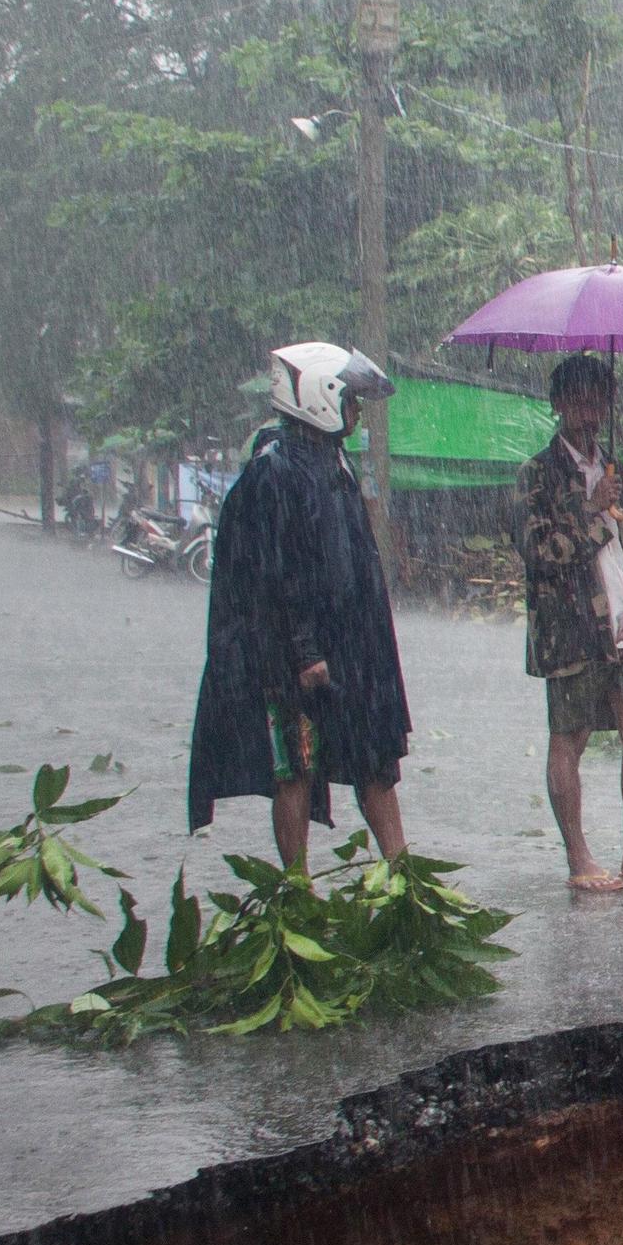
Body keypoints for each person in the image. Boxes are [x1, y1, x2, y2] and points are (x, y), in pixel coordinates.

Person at [186, 343, 411, 872]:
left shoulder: (333, 461)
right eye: (350, 401)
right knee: (296, 765)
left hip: (351, 647)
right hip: (298, 657)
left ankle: (407, 879)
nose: (356, 413)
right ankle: (296, 888)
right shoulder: (275, 470)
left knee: (375, 758)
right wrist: (304, 650)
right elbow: (274, 573)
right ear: (320, 397)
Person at [520, 351, 623, 894]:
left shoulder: (618, 471)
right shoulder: (538, 474)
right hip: (570, 631)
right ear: (558, 404)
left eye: (598, 400)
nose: (589, 412)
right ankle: (579, 859)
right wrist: (591, 512)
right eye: (578, 400)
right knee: (568, 739)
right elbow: (540, 552)